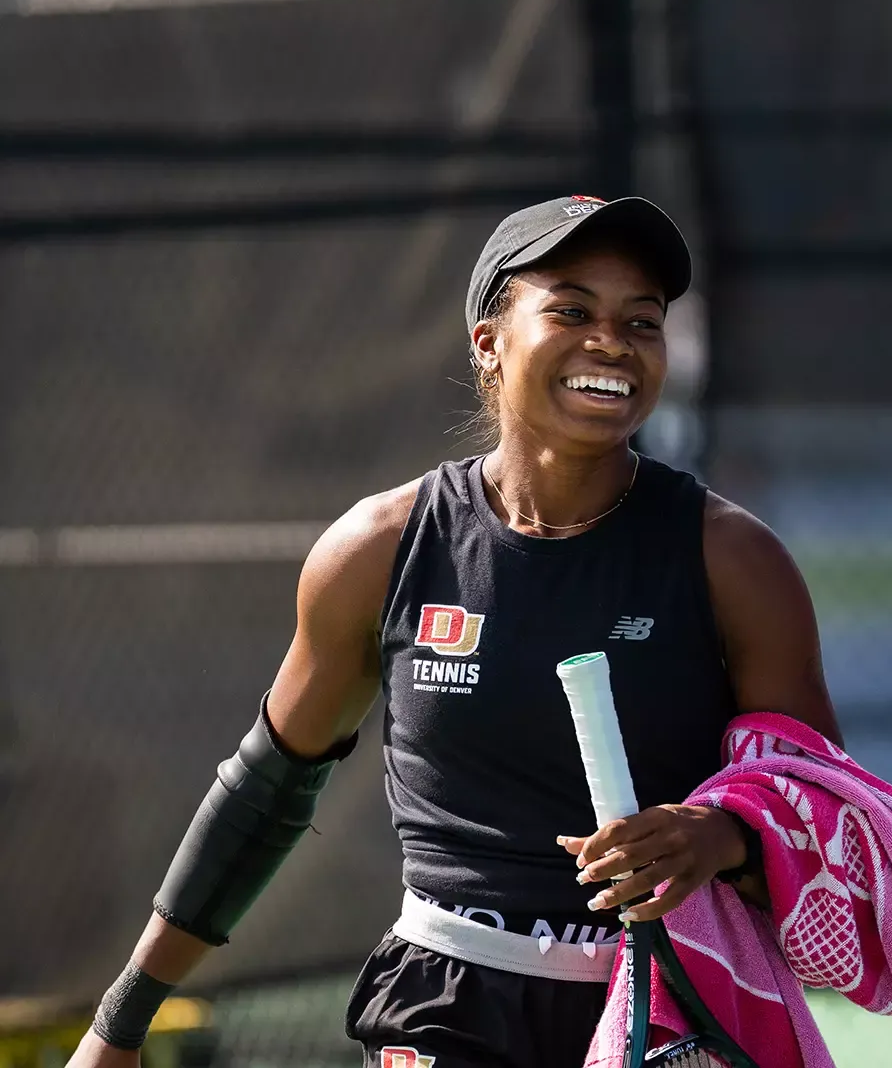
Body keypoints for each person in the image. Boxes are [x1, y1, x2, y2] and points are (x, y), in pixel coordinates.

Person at [69, 195, 843, 1068]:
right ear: (489, 343)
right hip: (447, 1000)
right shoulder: (379, 549)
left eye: (642, 321)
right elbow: (267, 790)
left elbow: (819, 804)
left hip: (670, 1001)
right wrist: (119, 1020)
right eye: (571, 310)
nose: (612, 342)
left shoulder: (735, 560)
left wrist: (720, 835)